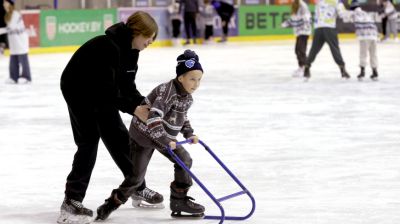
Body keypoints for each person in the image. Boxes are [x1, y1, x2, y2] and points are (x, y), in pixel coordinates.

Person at [58, 11, 163, 224]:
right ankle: (71, 200)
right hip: (78, 91)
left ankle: (135, 187)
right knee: (89, 141)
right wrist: (134, 109)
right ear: (136, 31)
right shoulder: (107, 47)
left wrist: (143, 104)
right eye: (149, 37)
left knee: (120, 138)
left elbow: (126, 87)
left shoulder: (132, 51)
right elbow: (105, 92)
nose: (151, 42)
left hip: (101, 93)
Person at [96, 49, 205, 220]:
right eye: (192, 79)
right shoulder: (167, 93)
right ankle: (112, 203)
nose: (196, 84)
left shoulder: (187, 97)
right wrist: (166, 140)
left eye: (199, 79)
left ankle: (179, 200)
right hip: (143, 134)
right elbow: (153, 118)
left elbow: (181, 117)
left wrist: (189, 134)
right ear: (181, 77)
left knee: (185, 160)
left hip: (163, 136)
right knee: (136, 178)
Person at [303, 0, 350, 80]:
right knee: (335, 49)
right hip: (329, 28)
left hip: (318, 28)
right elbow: (342, 15)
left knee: (314, 49)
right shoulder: (336, 1)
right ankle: (342, 70)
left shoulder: (319, 1)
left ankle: (306, 67)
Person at [343, 0, 379, 81]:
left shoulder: (353, 13)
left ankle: (362, 72)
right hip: (374, 35)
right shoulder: (365, 13)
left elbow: (345, 16)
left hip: (364, 36)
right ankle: (375, 72)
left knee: (363, 54)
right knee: (373, 54)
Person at [0, 0, 31, 84]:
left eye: (5, 2)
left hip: (20, 40)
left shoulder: (15, 14)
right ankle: (13, 77)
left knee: (23, 59)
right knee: (13, 59)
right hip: (13, 41)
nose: (3, 4)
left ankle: (26, 77)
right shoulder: (7, 15)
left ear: (10, 4)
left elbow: (11, 27)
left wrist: (1, 30)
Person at [281, 0, 311, 77]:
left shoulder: (302, 6)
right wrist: (285, 24)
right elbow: (293, 19)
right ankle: (301, 67)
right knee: (297, 50)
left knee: (301, 50)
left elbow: (306, 17)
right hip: (299, 32)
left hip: (304, 32)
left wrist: (305, 26)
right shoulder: (296, 5)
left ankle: (305, 68)